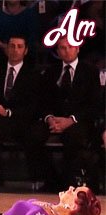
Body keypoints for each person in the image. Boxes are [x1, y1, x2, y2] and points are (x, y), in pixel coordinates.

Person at [0, 35, 50, 192]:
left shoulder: (34, 75)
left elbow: (33, 106)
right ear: (6, 49)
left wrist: (9, 112)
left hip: (21, 120)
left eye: (19, 46)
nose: (15, 50)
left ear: (25, 51)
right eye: (12, 46)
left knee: (31, 132)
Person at [39, 36, 102, 189]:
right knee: (33, 135)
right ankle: (51, 180)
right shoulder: (50, 72)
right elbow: (42, 101)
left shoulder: (90, 72)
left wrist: (71, 120)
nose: (67, 51)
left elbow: (95, 105)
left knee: (74, 137)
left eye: (70, 47)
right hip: (53, 121)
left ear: (77, 48)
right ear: (58, 51)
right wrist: (49, 118)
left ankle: (68, 183)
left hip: (78, 121)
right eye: (62, 48)